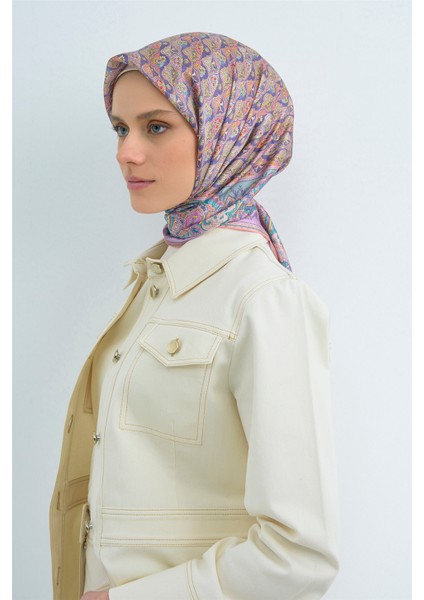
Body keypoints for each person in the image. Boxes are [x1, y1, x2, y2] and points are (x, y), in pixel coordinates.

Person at [49, 31, 340, 600]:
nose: (126, 152)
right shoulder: (154, 282)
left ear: (229, 132)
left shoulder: (263, 297)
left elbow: (300, 555)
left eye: (156, 127)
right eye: (121, 128)